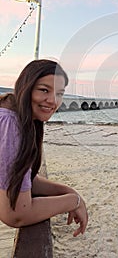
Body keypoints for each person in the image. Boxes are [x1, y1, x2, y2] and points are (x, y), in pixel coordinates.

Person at [0, 59, 88, 237]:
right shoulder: (10, 124)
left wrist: (70, 192)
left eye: (59, 93)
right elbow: (16, 215)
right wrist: (73, 201)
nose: (53, 101)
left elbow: (26, 178)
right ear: (26, 87)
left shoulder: (20, 117)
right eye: (44, 90)